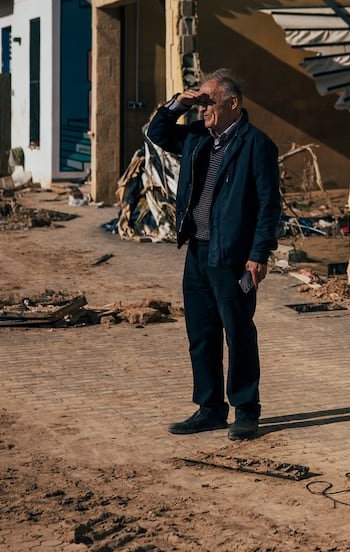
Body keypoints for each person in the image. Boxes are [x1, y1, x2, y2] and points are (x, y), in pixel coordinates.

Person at [146, 69, 280, 441]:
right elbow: (157, 133)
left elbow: (269, 206)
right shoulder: (196, 137)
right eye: (200, 102)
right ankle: (210, 409)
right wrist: (178, 104)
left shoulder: (256, 145)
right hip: (198, 252)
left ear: (232, 102)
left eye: (209, 101)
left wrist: (259, 254)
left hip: (234, 256)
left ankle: (246, 411)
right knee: (201, 334)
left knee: (238, 333)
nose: (203, 108)